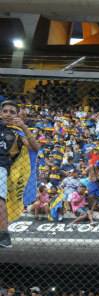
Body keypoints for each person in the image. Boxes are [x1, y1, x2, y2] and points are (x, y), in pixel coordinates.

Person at [0, 100, 42, 248]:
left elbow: (36, 148)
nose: (8, 114)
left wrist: (24, 127)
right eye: (5, 111)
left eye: (12, 112)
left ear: (18, 115)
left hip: (1, 168)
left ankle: (4, 236)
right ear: (0, 113)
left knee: (0, 200)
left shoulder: (17, 132)